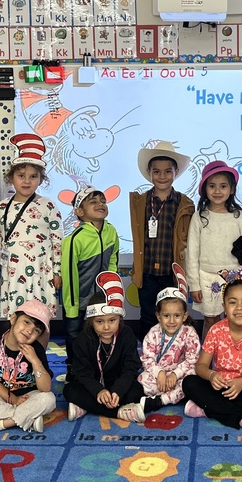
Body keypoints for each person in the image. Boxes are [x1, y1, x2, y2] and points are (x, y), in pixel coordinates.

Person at [181, 268, 242, 433]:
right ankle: (241, 418)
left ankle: (208, 408)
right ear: (224, 307)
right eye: (232, 302)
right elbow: (201, 366)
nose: (239, 307)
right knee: (189, 383)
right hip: (219, 387)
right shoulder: (216, 330)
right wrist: (212, 375)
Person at [0, 133, 62, 318]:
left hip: (42, 271)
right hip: (13, 272)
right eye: (21, 175)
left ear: (41, 179)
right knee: (16, 317)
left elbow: (57, 241)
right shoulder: (2, 207)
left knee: (41, 316)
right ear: (11, 177)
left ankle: (39, 348)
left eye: (33, 176)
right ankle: (15, 348)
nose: (27, 181)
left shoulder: (48, 205)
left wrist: (57, 271)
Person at [0, 298, 57, 436]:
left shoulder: (36, 349)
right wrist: (13, 399)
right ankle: (27, 418)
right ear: (13, 319)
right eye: (26, 322)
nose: (29, 330)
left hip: (29, 397)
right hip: (2, 396)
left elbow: (45, 388)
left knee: (48, 399)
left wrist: (35, 361)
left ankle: (0, 424)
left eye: (36, 330)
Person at [130, 140, 195, 340]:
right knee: (148, 316)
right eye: (156, 171)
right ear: (149, 173)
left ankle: (172, 358)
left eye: (168, 171)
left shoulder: (185, 203)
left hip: (171, 273)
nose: (162, 176)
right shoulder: (139, 202)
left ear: (176, 172)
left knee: (173, 317)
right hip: (148, 272)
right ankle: (148, 359)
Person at [185, 160, 242, 338]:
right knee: (211, 320)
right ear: (204, 189)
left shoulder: (238, 216)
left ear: (231, 189)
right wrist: (194, 284)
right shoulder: (199, 218)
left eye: (223, 186)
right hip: (207, 277)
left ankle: (232, 358)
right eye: (212, 186)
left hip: (235, 277)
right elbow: (191, 254)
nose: (217, 191)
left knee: (235, 319)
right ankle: (208, 359)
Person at [63, 272, 147, 423]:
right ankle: (120, 412)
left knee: (138, 390)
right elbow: (82, 374)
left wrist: (118, 391)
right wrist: (98, 391)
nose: (106, 327)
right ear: (91, 321)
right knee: (69, 390)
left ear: (119, 318)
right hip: (92, 387)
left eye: (112, 320)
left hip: (118, 385)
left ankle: (87, 407)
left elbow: (131, 368)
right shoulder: (82, 340)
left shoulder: (126, 335)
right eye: (99, 322)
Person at [61, 186, 119, 364]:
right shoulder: (74, 239)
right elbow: (69, 275)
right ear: (80, 211)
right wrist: (72, 305)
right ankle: (73, 366)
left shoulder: (111, 231)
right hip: (77, 299)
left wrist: (109, 293)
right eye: (93, 202)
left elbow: (112, 262)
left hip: (101, 297)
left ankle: (99, 366)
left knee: (100, 333)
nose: (100, 204)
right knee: (75, 335)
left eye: (103, 201)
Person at [138, 263, 201, 412]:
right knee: (141, 381)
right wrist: (159, 373)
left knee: (192, 379)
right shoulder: (153, 333)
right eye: (166, 316)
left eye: (177, 316)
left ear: (184, 316)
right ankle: (171, 395)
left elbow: (192, 360)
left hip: (179, 375)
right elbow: (147, 358)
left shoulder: (190, 333)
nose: (171, 321)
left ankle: (161, 400)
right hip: (158, 375)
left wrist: (175, 374)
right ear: (158, 316)